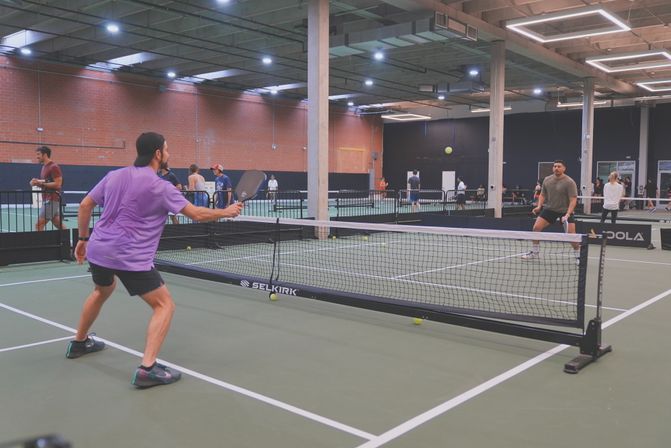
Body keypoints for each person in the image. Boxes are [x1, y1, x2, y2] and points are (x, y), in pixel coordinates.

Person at [67, 132, 243, 388]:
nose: (168, 155)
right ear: (158, 154)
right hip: (129, 255)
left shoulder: (114, 175)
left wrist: (83, 239)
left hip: (99, 249)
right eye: (167, 150)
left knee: (102, 289)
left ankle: (79, 342)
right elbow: (195, 214)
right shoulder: (161, 186)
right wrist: (226, 212)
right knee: (164, 305)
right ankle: (147, 368)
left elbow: (84, 205)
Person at [522, 160, 581, 265]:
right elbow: (543, 195)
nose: (556, 168)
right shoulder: (547, 180)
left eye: (559, 166)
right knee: (536, 228)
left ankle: (578, 256)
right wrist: (539, 206)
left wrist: (567, 214)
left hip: (565, 211)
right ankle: (535, 252)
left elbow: (573, 199)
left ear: (564, 168)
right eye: (555, 166)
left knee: (571, 235)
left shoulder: (569, 182)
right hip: (550, 209)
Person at [30, 146, 65, 231]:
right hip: (47, 199)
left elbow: (58, 184)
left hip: (52, 200)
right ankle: (66, 241)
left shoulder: (54, 167)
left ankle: (41, 244)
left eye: (38, 154)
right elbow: (46, 182)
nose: (37, 156)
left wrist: (40, 183)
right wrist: (37, 182)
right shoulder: (44, 167)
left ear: (45, 154)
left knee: (39, 225)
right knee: (57, 223)